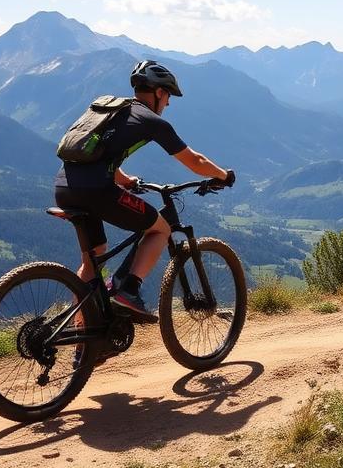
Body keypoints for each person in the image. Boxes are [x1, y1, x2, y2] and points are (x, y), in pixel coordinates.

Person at [54, 60, 234, 321]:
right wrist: (223, 175)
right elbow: (195, 161)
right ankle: (128, 290)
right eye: (168, 95)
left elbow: (98, 156)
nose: (169, 103)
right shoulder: (151, 121)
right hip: (96, 191)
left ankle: (84, 344)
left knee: (93, 256)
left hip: (64, 187)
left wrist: (125, 181)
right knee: (160, 229)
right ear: (159, 92)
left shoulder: (115, 111)